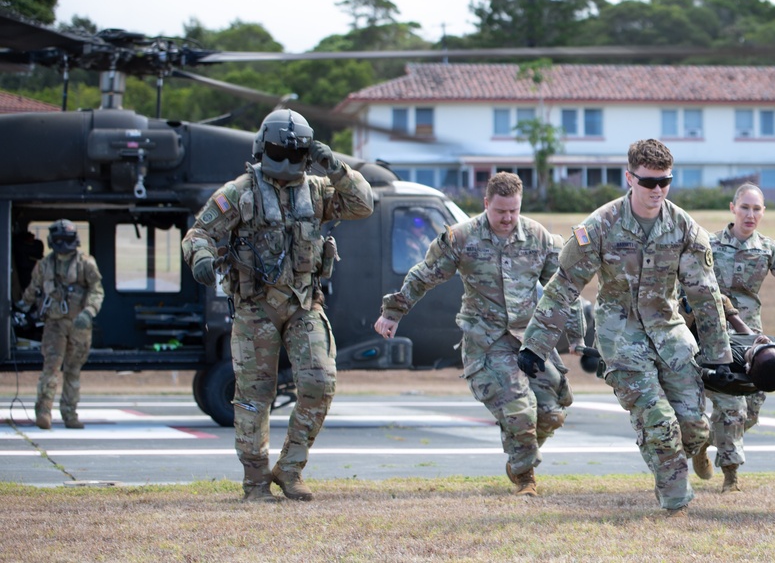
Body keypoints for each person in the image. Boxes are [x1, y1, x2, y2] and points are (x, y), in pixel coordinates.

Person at [519, 138, 732, 516]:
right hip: (621, 335)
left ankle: (682, 455)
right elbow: (564, 285)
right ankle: (676, 504)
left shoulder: (684, 227)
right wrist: (535, 344)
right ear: (629, 178)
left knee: (695, 427)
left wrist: (718, 355)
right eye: (649, 182)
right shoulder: (599, 226)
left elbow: (705, 294)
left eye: (665, 182)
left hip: (669, 332)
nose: (657, 191)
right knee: (660, 423)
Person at [182, 109, 374, 503]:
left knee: (320, 383)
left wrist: (333, 164)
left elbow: (362, 204)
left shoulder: (319, 190)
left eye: (295, 152)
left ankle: (289, 469)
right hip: (255, 307)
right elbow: (199, 232)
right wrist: (200, 257)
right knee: (254, 394)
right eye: (277, 150)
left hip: (304, 303)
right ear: (261, 147)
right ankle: (255, 481)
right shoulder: (240, 192)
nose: (286, 161)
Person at [374, 172, 582, 497]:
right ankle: (525, 476)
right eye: (500, 211)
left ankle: (517, 459)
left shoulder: (537, 237)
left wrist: (580, 336)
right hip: (487, 341)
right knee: (519, 410)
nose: (508, 218)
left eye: (513, 211)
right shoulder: (463, 238)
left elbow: (561, 287)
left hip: (529, 342)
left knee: (552, 413)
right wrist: (393, 312)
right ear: (486, 204)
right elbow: (424, 275)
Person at [698, 182, 775, 492]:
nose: (750, 215)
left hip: (751, 338)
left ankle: (702, 442)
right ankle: (731, 475)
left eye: (756, 209)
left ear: (763, 213)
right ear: (732, 209)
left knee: (751, 408)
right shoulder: (708, 245)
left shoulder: (768, 249)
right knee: (731, 406)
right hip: (716, 336)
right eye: (745, 208)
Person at [17, 219, 104, 430]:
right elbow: (32, 291)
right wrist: (20, 308)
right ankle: (44, 412)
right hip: (54, 325)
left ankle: (69, 413)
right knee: (51, 368)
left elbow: (97, 290)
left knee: (73, 370)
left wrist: (89, 312)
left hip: (79, 325)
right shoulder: (45, 265)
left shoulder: (85, 263)